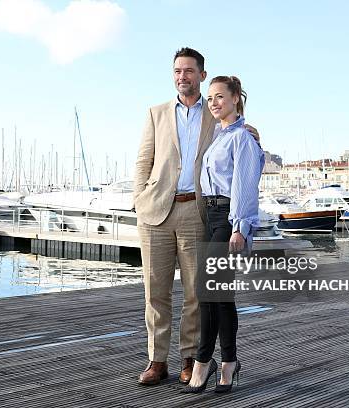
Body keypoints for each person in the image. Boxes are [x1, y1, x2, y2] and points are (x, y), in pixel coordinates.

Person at [134, 48, 260, 386]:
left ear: (201, 76)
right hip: (156, 211)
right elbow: (143, 160)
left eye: (189, 71)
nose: (182, 76)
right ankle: (156, 360)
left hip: (197, 210)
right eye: (177, 70)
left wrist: (252, 133)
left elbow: (241, 145)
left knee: (196, 291)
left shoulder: (214, 115)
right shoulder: (156, 113)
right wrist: (139, 199)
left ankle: (189, 359)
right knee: (155, 291)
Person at [182, 75, 264, 393]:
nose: (214, 102)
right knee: (214, 295)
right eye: (211, 97)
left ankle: (211, 361)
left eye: (220, 97)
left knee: (213, 293)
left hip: (228, 217)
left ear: (235, 99)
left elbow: (245, 185)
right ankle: (221, 361)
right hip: (210, 216)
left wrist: (239, 227)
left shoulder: (242, 137)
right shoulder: (218, 135)